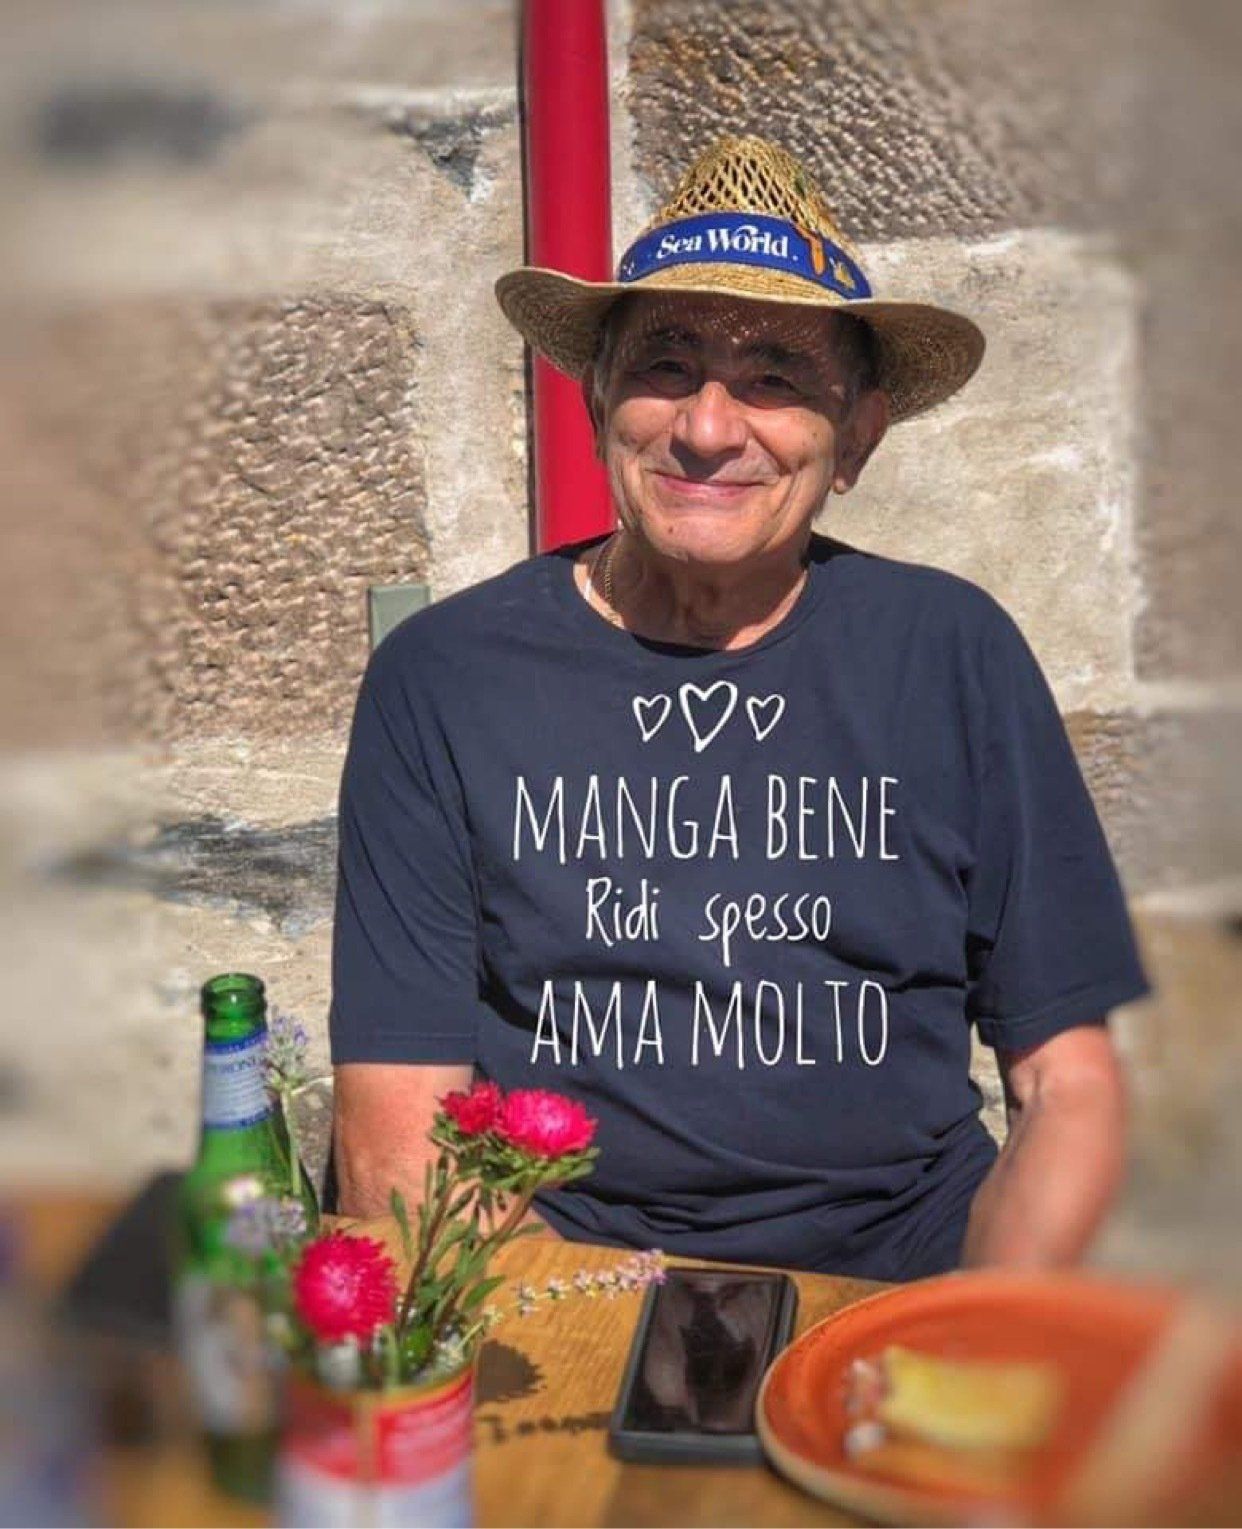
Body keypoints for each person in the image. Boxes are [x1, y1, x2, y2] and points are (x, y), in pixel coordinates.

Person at [328, 135, 1151, 1281]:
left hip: (900, 1274)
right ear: (598, 400)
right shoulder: (446, 675)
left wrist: (977, 1332)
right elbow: (397, 1135)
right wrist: (591, 1330)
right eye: (666, 365)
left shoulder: (951, 653)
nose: (709, 428)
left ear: (854, 439)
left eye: (776, 377)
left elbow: (1070, 1083)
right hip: (565, 1278)